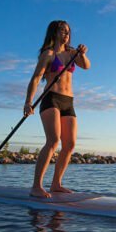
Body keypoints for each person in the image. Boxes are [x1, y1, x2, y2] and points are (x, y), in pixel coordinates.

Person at [24, 20, 90, 198]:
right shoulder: (49, 54)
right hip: (51, 98)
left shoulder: (72, 53)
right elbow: (36, 78)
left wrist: (82, 53)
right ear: (54, 33)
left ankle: (56, 184)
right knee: (53, 141)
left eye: (68, 31)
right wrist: (28, 102)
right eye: (62, 30)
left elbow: (86, 66)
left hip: (68, 101)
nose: (66, 34)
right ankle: (36, 186)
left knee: (69, 144)